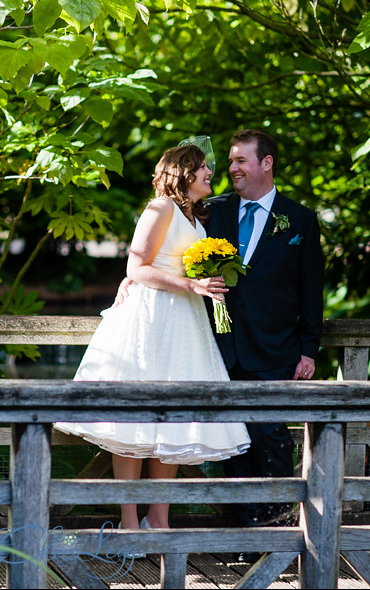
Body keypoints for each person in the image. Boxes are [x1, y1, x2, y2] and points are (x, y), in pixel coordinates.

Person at [55, 145, 250, 533]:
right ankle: (129, 522)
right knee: (132, 420)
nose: (211, 173)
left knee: (174, 417)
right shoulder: (159, 208)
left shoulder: (195, 217)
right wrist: (190, 284)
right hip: (150, 320)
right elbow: (136, 267)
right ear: (184, 172)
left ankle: (157, 519)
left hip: (184, 323)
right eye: (204, 168)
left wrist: (202, 283)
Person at [205, 128, 324, 561]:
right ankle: (242, 536)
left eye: (240, 160)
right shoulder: (213, 212)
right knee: (232, 439)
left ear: (266, 163)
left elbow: (312, 290)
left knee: (271, 436)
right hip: (222, 346)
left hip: (277, 348)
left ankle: (276, 530)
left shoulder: (300, 219)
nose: (231, 168)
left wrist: (308, 349)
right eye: (231, 161)